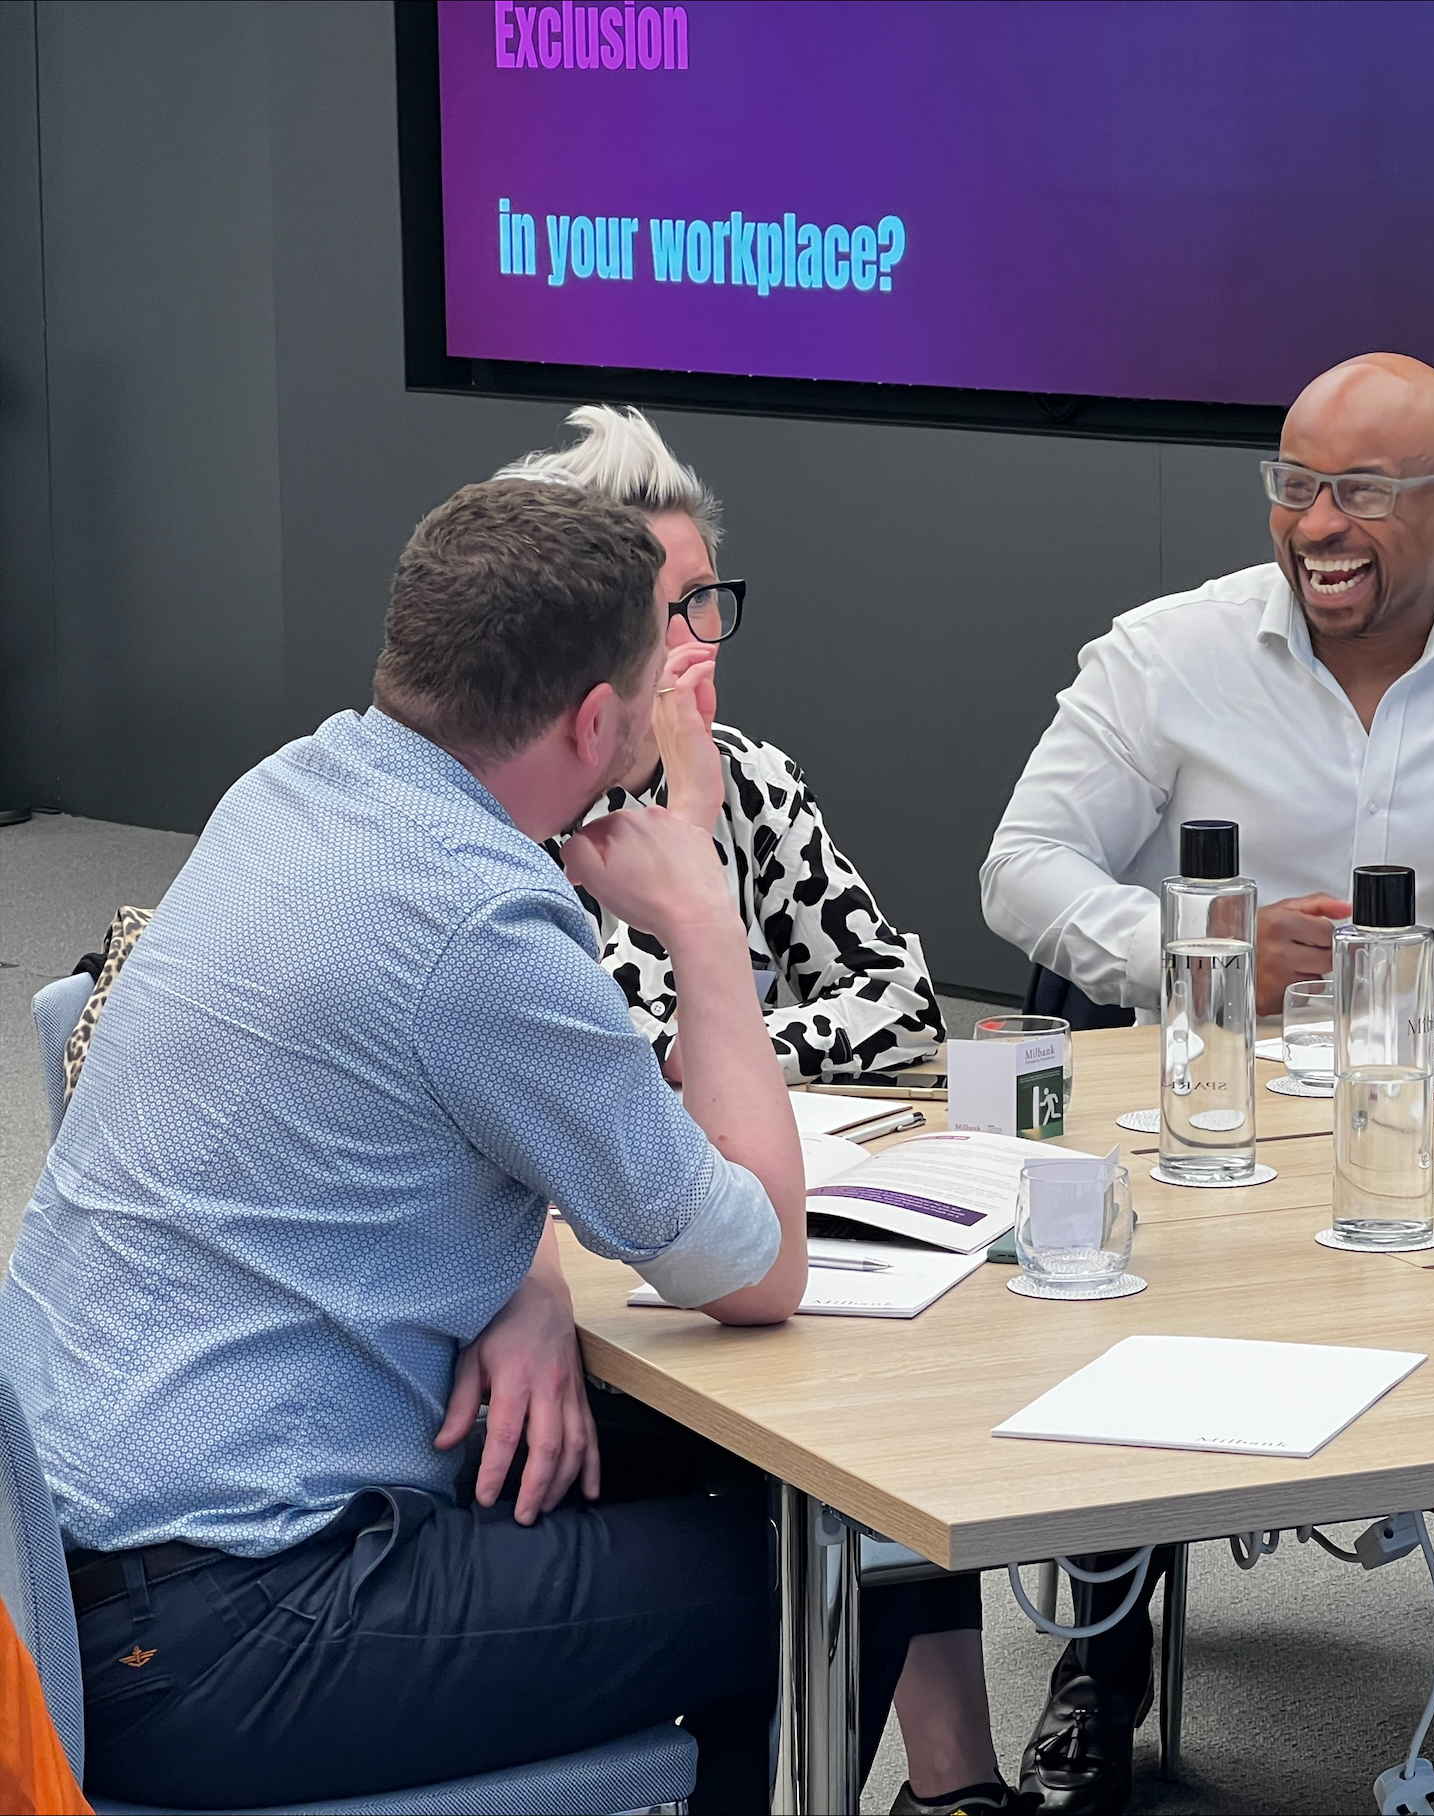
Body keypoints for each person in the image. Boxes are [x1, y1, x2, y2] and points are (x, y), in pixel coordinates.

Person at [0, 482, 1012, 1816]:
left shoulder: (288, 788)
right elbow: (756, 1263)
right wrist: (703, 916)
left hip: (62, 1594)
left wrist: (525, 1278)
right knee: (860, 1552)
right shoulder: (485, 920)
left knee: (740, 1485)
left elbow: (395, 1134)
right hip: (233, 1635)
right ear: (599, 719)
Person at [981, 353, 1434, 1805]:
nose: (1318, 521)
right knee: (1127, 1293)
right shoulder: (1166, 653)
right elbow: (1022, 869)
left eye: (1361, 492)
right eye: (1295, 485)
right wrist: (1201, 948)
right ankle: (1101, 1659)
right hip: (1218, 1107)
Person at [499, 406, 947, 1084]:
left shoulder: (745, 775)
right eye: (655, 610)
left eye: (702, 598)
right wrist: (688, 822)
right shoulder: (516, 801)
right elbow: (585, 1044)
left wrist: (706, 1052)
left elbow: (901, 1003)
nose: (694, 641)